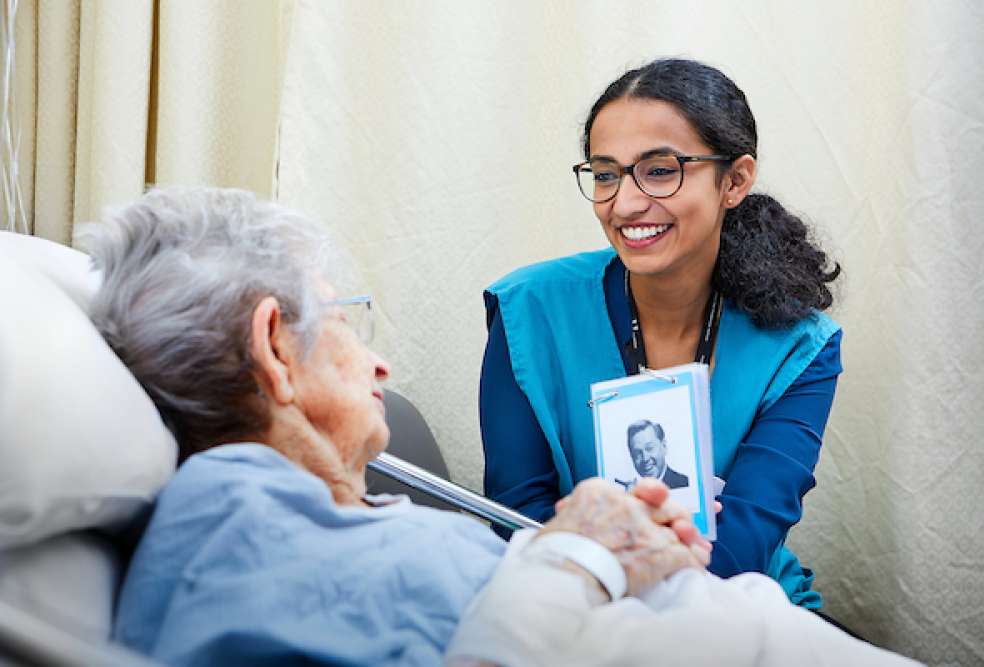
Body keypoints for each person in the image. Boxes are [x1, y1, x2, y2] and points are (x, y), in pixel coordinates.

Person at [91, 188, 914, 666]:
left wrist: (615, 556)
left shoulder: (314, 515)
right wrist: (578, 550)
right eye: (345, 321)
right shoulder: (224, 506)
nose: (379, 367)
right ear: (277, 345)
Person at [479, 58, 843, 610]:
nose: (624, 204)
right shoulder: (529, 310)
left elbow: (747, 537)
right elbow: (516, 516)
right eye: (605, 174)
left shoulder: (800, 345)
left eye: (660, 170)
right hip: (569, 602)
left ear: (735, 180)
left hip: (738, 605)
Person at [626, 419, 689, 489]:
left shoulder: (683, 483)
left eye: (649, 448)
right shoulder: (633, 491)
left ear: (664, 446)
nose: (645, 458)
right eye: (637, 453)